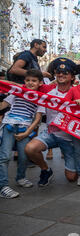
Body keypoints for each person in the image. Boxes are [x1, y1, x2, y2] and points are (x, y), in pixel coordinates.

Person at [25, 58, 79, 186]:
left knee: (72, 177)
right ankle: (46, 170)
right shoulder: (47, 90)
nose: (61, 75)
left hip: (70, 139)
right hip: (51, 134)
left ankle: (76, 160)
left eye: (65, 73)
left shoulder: (78, 92)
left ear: (72, 77)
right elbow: (26, 86)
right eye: (58, 72)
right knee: (30, 149)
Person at [0, 70, 45, 198]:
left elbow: (37, 118)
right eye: (28, 80)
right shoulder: (17, 93)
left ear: (40, 83)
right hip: (9, 126)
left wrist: (27, 133)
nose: (30, 83)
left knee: (24, 157)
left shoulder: (40, 98)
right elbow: (3, 105)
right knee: (4, 156)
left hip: (25, 129)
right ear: (24, 81)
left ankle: (21, 177)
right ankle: (3, 186)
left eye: (34, 81)